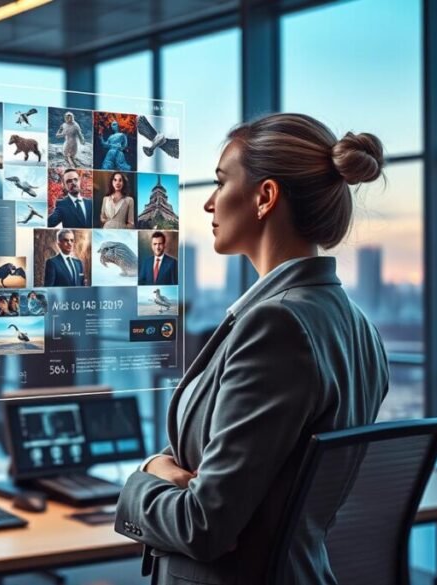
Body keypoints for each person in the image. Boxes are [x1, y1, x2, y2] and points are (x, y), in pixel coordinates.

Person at [114, 113, 390, 584]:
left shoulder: (276, 325)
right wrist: (179, 475)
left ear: (265, 197)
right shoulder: (356, 324)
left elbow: (204, 525)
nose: (207, 203)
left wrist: (144, 476)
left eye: (221, 183)